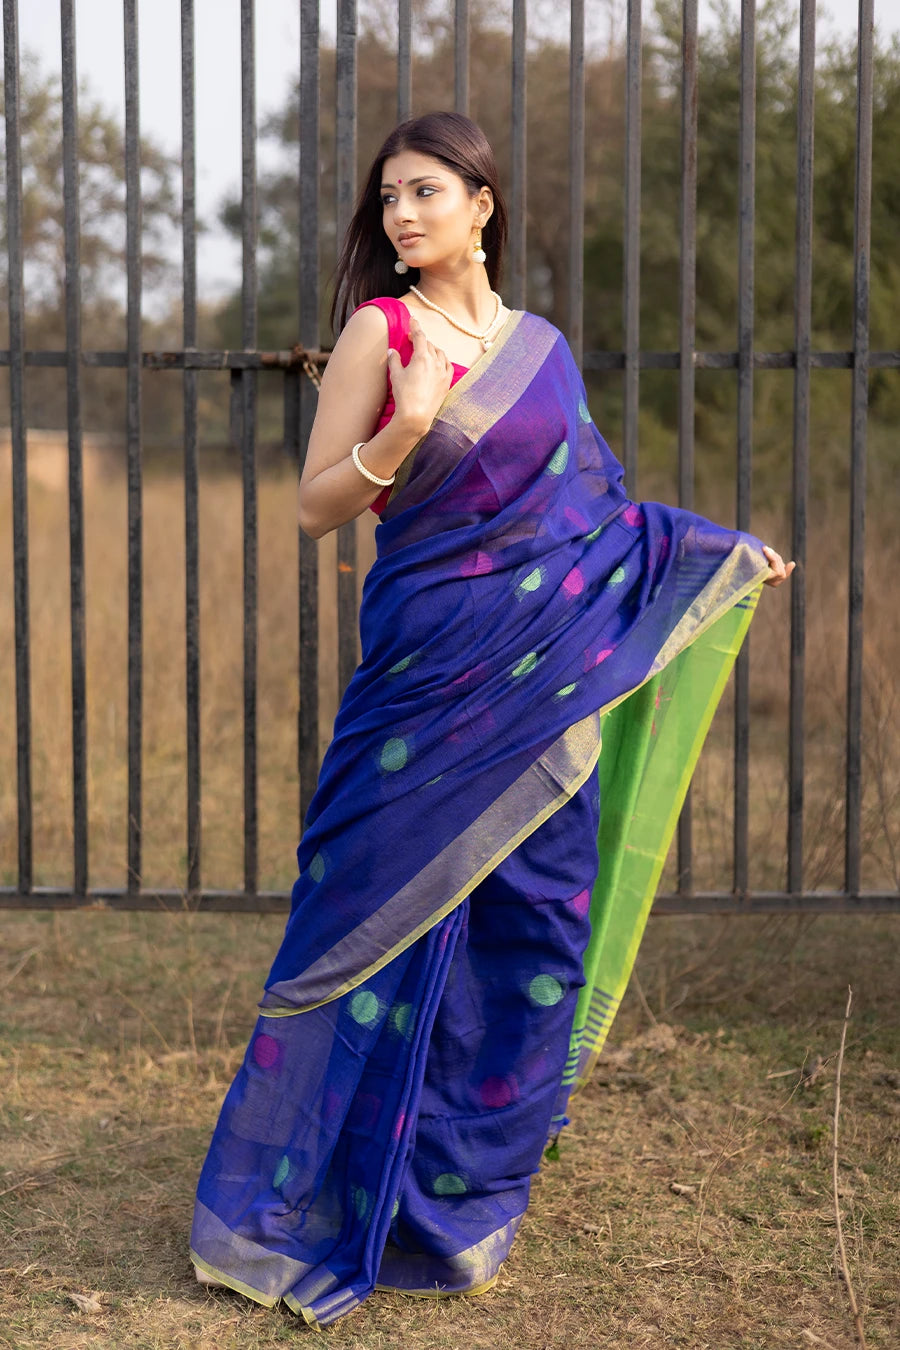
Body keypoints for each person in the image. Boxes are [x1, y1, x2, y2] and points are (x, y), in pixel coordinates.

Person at [190, 111, 793, 1328]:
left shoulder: (546, 350)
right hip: (426, 680)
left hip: (539, 688)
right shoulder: (382, 330)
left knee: (537, 919)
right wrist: (405, 428)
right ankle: (313, 1194)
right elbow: (313, 509)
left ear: (483, 203)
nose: (401, 216)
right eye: (386, 200)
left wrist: (714, 554)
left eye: (424, 191)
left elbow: (600, 518)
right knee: (372, 922)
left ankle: (460, 1200)